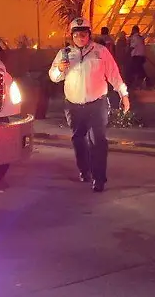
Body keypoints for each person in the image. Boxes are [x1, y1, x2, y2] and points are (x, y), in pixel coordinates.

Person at [48, 17, 130, 192]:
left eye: (83, 34)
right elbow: (54, 77)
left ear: (89, 34)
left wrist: (124, 94)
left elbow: (114, 74)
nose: (80, 38)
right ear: (72, 36)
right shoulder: (64, 54)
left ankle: (99, 178)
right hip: (73, 105)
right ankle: (84, 170)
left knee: (98, 141)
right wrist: (60, 69)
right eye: (77, 35)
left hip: (97, 103)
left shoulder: (100, 52)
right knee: (79, 139)